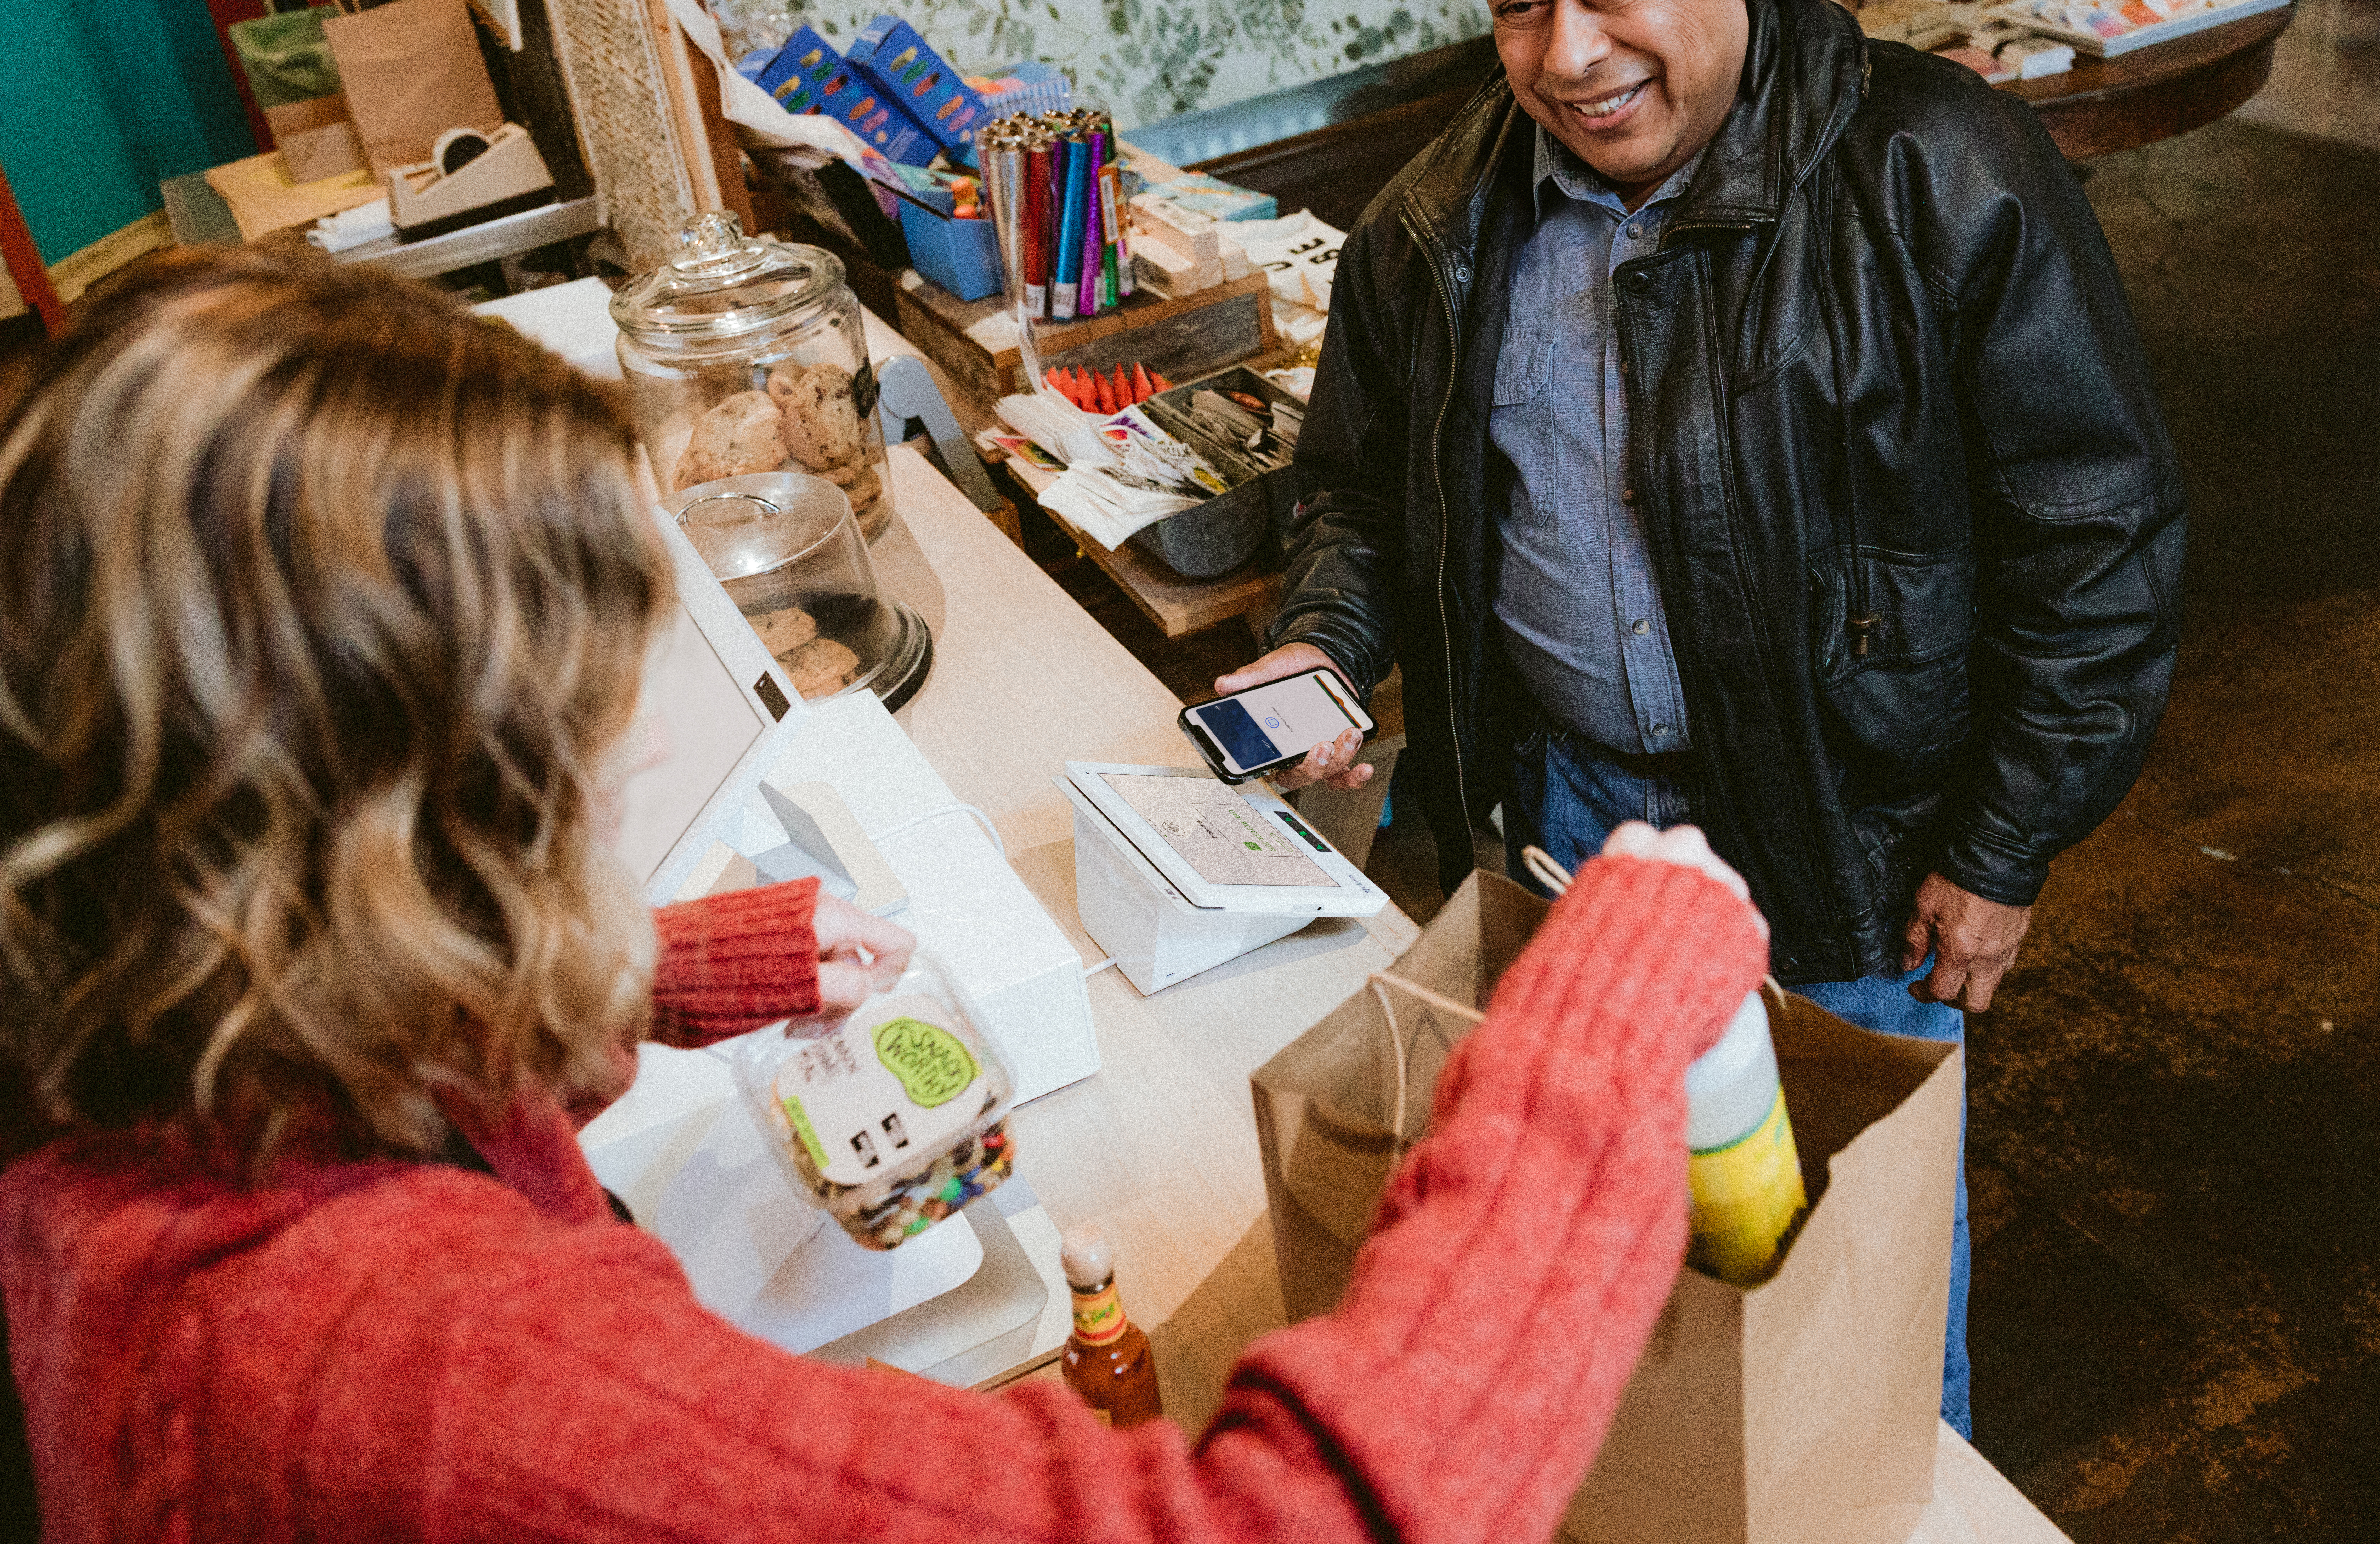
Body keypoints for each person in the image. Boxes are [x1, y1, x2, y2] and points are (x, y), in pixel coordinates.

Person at [0, 248, 1774, 1542]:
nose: (627, 753)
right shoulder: (414, 1367)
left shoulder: (126, 1059)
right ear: (394, 807)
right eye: (577, 710)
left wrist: (658, 968)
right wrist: (1588, 1044)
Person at [1223, 0, 2187, 1436]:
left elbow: (2098, 531)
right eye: (1519, 3)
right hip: (1568, 828)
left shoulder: (1939, 169)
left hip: (1845, 847)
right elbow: (1357, 494)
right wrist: (1327, 639)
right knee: (1618, 1265)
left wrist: (2003, 845)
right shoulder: (1438, 218)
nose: (1568, 55)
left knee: (1855, 1303)